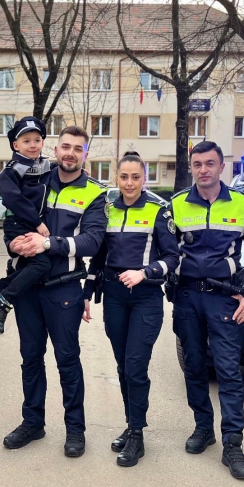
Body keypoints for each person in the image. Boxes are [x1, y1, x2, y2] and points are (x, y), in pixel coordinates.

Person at [2, 125, 107, 458]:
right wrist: (12, 244)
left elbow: (92, 241)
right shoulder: (36, 178)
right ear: (55, 149)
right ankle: (32, 422)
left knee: (67, 360)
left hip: (64, 289)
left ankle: (75, 429)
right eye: (65, 146)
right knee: (30, 359)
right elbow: (13, 216)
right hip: (28, 288)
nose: (70, 153)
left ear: (85, 154)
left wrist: (48, 243)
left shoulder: (94, 192)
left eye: (78, 148)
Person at [170, 140, 244, 480]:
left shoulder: (241, 203)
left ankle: (233, 443)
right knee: (194, 367)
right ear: (191, 167)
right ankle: (203, 428)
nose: (203, 170)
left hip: (224, 298)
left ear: (221, 167)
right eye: (197, 164)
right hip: (187, 298)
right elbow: (164, 252)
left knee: (228, 371)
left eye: (210, 163)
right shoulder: (176, 205)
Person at [82, 152, 180, 467]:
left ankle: (137, 435)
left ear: (144, 178)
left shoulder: (158, 209)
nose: (129, 183)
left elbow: (173, 257)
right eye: (124, 177)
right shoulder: (108, 209)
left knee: (136, 366)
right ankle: (130, 424)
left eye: (135, 177)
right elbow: (98, 257)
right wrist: (87, 292)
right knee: (123, 366)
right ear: (117, 178)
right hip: (114, 296)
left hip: (145, 297)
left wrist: (145, 273)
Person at [0, 116, 53, 335]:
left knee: (36, 266)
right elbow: (14, 199)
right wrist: (37, 223)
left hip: (31, 224)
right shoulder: (11, 170)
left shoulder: (44, 165)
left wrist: (79, 173)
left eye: (37, 140)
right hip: (19, 223)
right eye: (26, 141)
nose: (33, 145)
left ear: (43, 142)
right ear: (15, 145)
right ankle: (3, 299)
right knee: (41, 265)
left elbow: (60, 170)